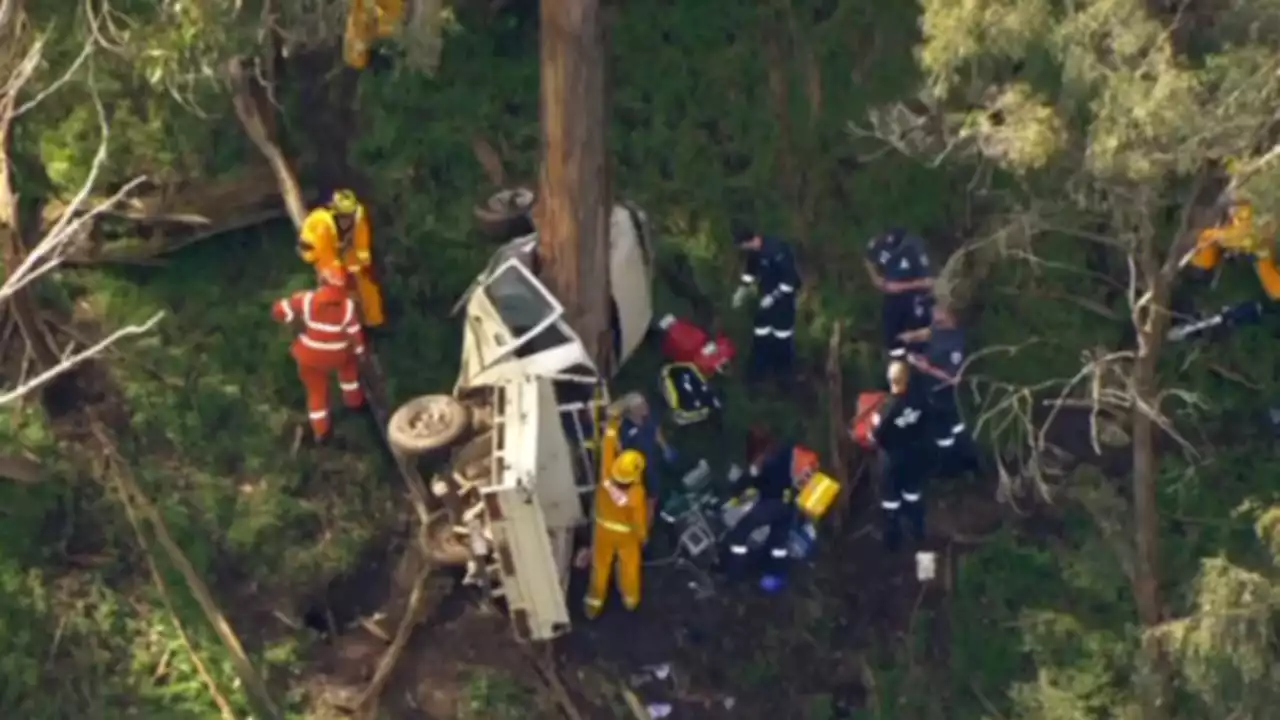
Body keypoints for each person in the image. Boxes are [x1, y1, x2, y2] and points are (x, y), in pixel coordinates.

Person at [271, 261, 367, 442]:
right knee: (349, 367)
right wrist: (360, 351)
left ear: (322, 279)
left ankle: (321, 431)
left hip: (309, 356)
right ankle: (354, 402)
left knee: (316, 391)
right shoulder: (347, 306)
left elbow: (279, 310)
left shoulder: (308, 299)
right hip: (336, 355)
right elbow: (355, 333)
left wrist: (290, 317)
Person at [721, 440, 820, 591]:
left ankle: (735, 576)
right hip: (789, 507)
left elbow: (754, 477)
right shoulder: (793, 454)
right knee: (778, 545)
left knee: (739, 534)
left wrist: (736, 489)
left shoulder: (768, 457)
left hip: (772, 504)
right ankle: (774, 580)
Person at [899, 303, 980, 476]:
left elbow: (953, 378)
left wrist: (926, 367)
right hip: (930, 391)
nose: (933, 312)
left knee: (950, 431)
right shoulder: (938, 327)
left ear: (950, 315)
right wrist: (909, 337)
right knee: (942, 431)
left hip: (944, 396)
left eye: (939, 310)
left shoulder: (955, 342)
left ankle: (960, 465)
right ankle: (948, 462)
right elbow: (928, 333)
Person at [299, 189, 384, 327]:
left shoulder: (359, 217)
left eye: (349, 216)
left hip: (349, 250)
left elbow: (362, 246)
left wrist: (360, 266)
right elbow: (315, 251)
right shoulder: (323, 223)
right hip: (326, 251)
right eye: (343, 217)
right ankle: (338, 322)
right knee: (336, 284)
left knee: (367, 285)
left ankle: (372, 322)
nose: (347, 220)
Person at [868, 360, 930, 551]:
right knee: (913, 495)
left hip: (891, 460)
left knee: (890, 501)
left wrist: (873, 424)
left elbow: (874, 436)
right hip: (913, 455)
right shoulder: (918, 400)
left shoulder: (887, 408)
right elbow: (925, 424)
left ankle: (892, 541)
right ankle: (918, 532)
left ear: (890, 379)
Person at [730, 225, 801, 382]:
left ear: (750, 241)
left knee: (782, 337)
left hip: (784, 302)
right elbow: (750, 272)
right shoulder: (754, 252)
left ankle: (783, 376)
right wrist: (742, 290)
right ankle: (757, 374)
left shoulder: (777, 250)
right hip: (764, 298)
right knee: (760, 333)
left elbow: (789, 281)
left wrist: (773, 297)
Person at [583, 449, 649, 619]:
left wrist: (611, 430)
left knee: (600, 569)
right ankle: (630, 600)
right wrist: (642, 536)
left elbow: (606, 453)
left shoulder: (605, 477)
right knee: (629, 568)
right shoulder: (636, 494)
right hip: (626, 537)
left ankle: (593, 605)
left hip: (602, 532)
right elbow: (638, 520)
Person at [865, 229, 934, 359]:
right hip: (892, 302)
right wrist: (876, 279)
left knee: (917, 346)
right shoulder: (880, 243)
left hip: (915, 301)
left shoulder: (915, 247)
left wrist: (902, 287)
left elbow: (930, 282)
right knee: (893, 344)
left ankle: (917, 363)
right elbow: (868, 258)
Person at [613, 392, 677, 528]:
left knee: (652, 499)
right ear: (633, 410)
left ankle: (644, 530)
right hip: (637, 469)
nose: (646, 407)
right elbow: (620, 449)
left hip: (652, 464)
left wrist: (665, 448)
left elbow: (657, 433)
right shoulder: (625, 428)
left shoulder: (649, 421)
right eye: (641, 405)